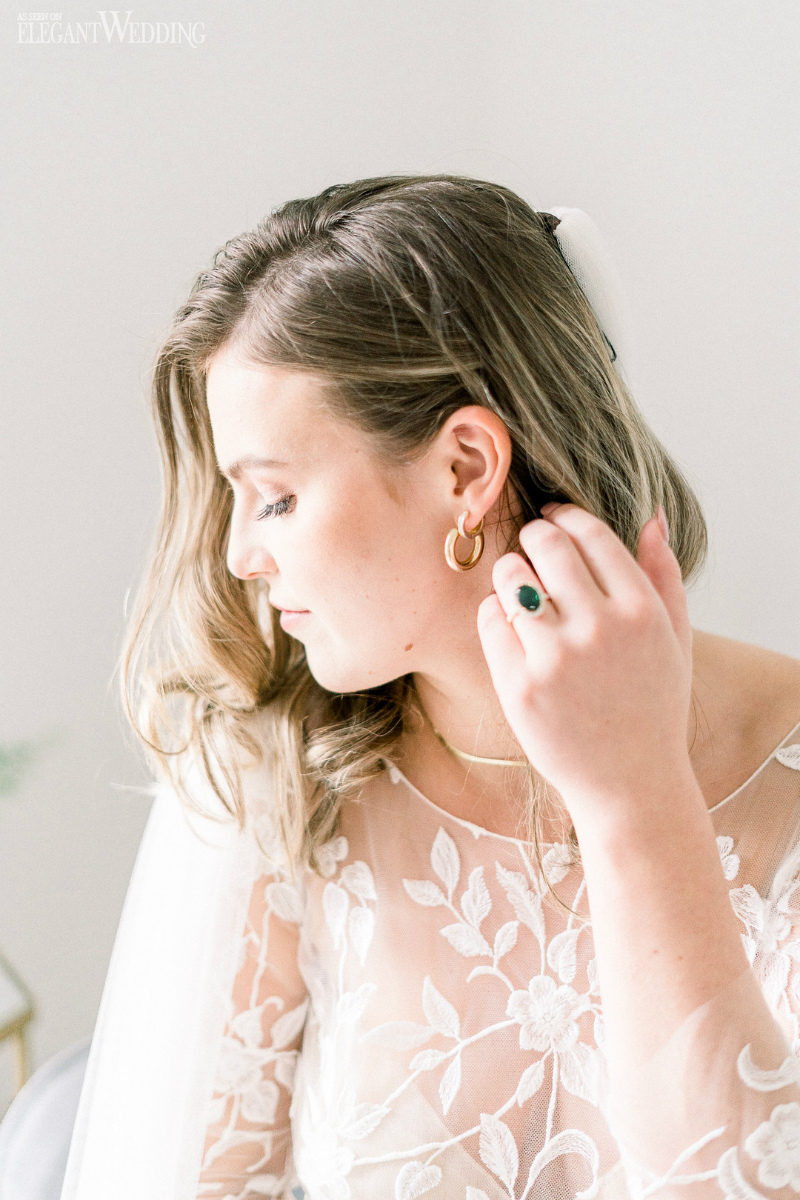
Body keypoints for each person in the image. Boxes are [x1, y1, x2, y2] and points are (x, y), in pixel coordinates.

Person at [61, 176, 800, 1200]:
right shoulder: (276, 778)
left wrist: (636, 800)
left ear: (463, 469)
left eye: (274, 496)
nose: (239, 555)